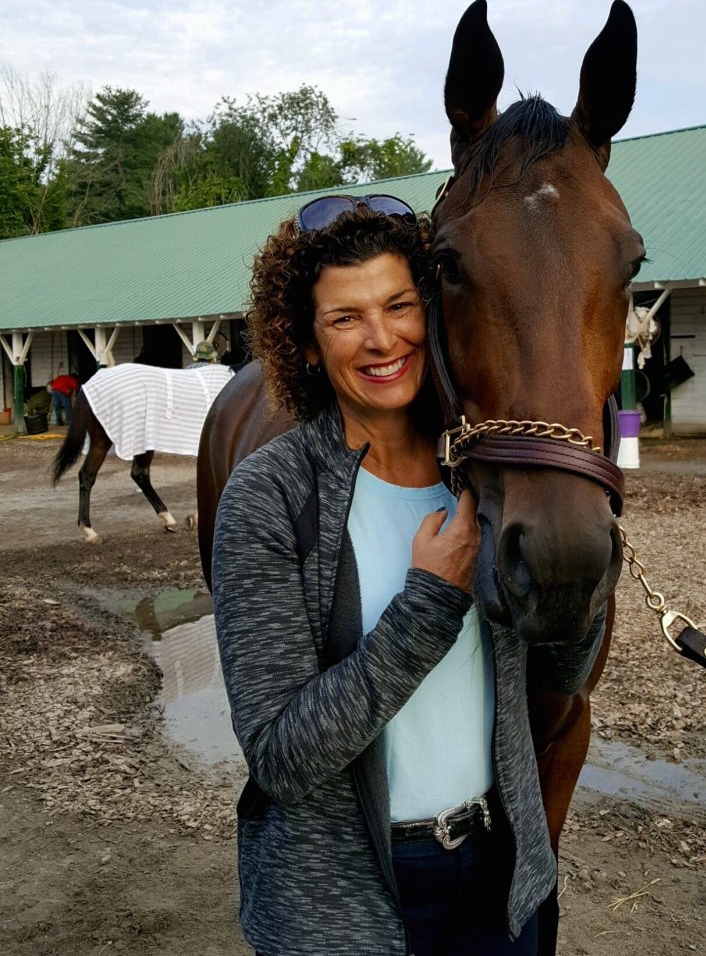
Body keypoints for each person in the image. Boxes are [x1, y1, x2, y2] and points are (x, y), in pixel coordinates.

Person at [211, 198, 601, 956]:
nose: (383, 339)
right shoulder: (269, 497)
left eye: (400, 305)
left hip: (500, 877)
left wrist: (580, 572)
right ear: (308, 345)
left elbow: (559, 671)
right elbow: (283, 757)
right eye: (346, 318)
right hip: (345, 906)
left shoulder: (485, 477)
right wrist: (428, 604)